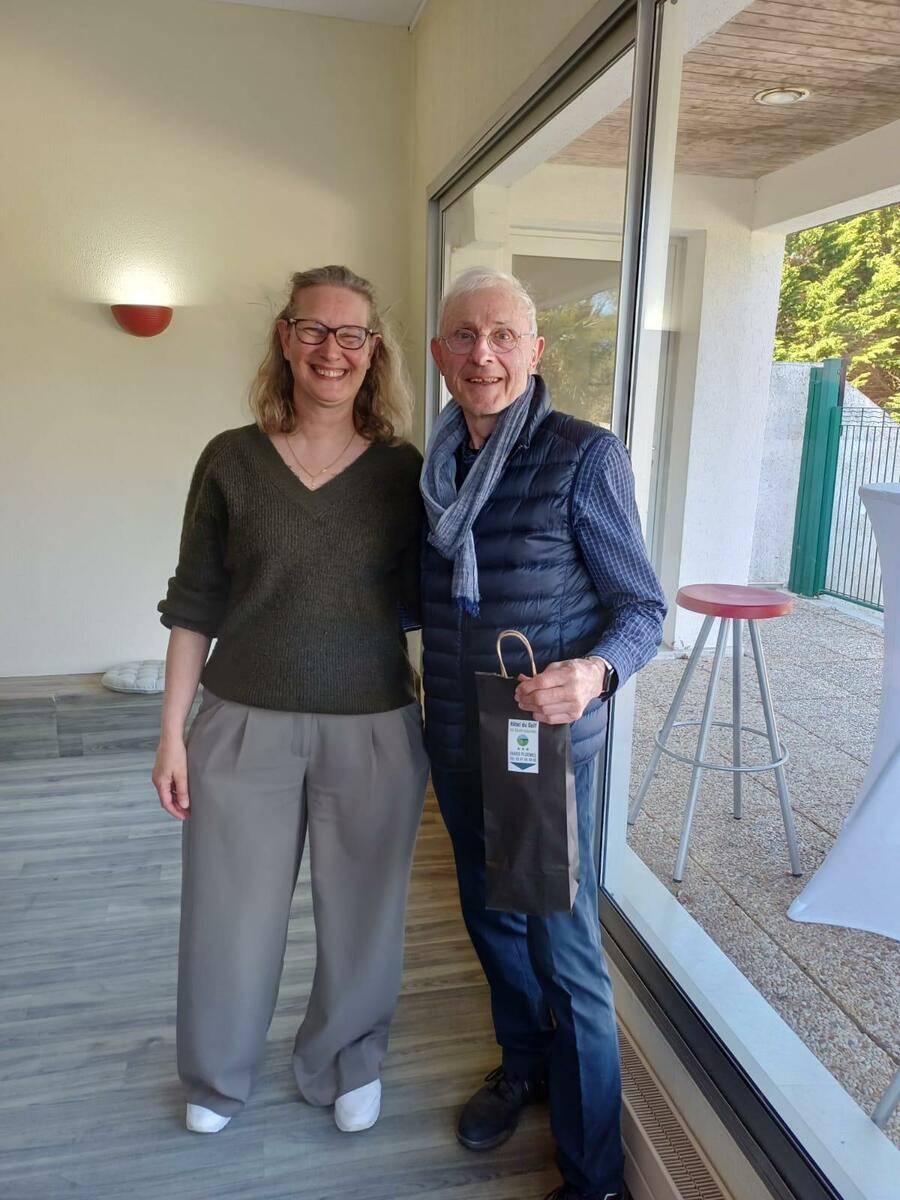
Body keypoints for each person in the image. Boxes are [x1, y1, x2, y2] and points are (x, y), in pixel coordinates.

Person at [152, 264, 428, 1137]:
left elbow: (433, 603)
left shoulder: (403, 471)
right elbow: (194, 605)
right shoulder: (230, 460)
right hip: (242, 722)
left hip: (375, 725)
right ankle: (216, 1076)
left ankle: (347, 1061)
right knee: (227, 915)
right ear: (285, 337)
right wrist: (171, 734)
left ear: (373, 351)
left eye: (351, 335)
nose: (331, 350)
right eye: (314, 329)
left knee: (365, 915)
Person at [420, 267, 667, 1200]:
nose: (482, 355)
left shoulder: (583, 455)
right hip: (459, 738)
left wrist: (596, 673)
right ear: (440, 354)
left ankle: (594, 1177)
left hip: (545, 750)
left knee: (567, 955)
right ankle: (522, 1065)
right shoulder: (432, 470)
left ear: (534, 351)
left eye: (502, 337)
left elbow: (642, 608)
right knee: (491, 922)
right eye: (464, 336)